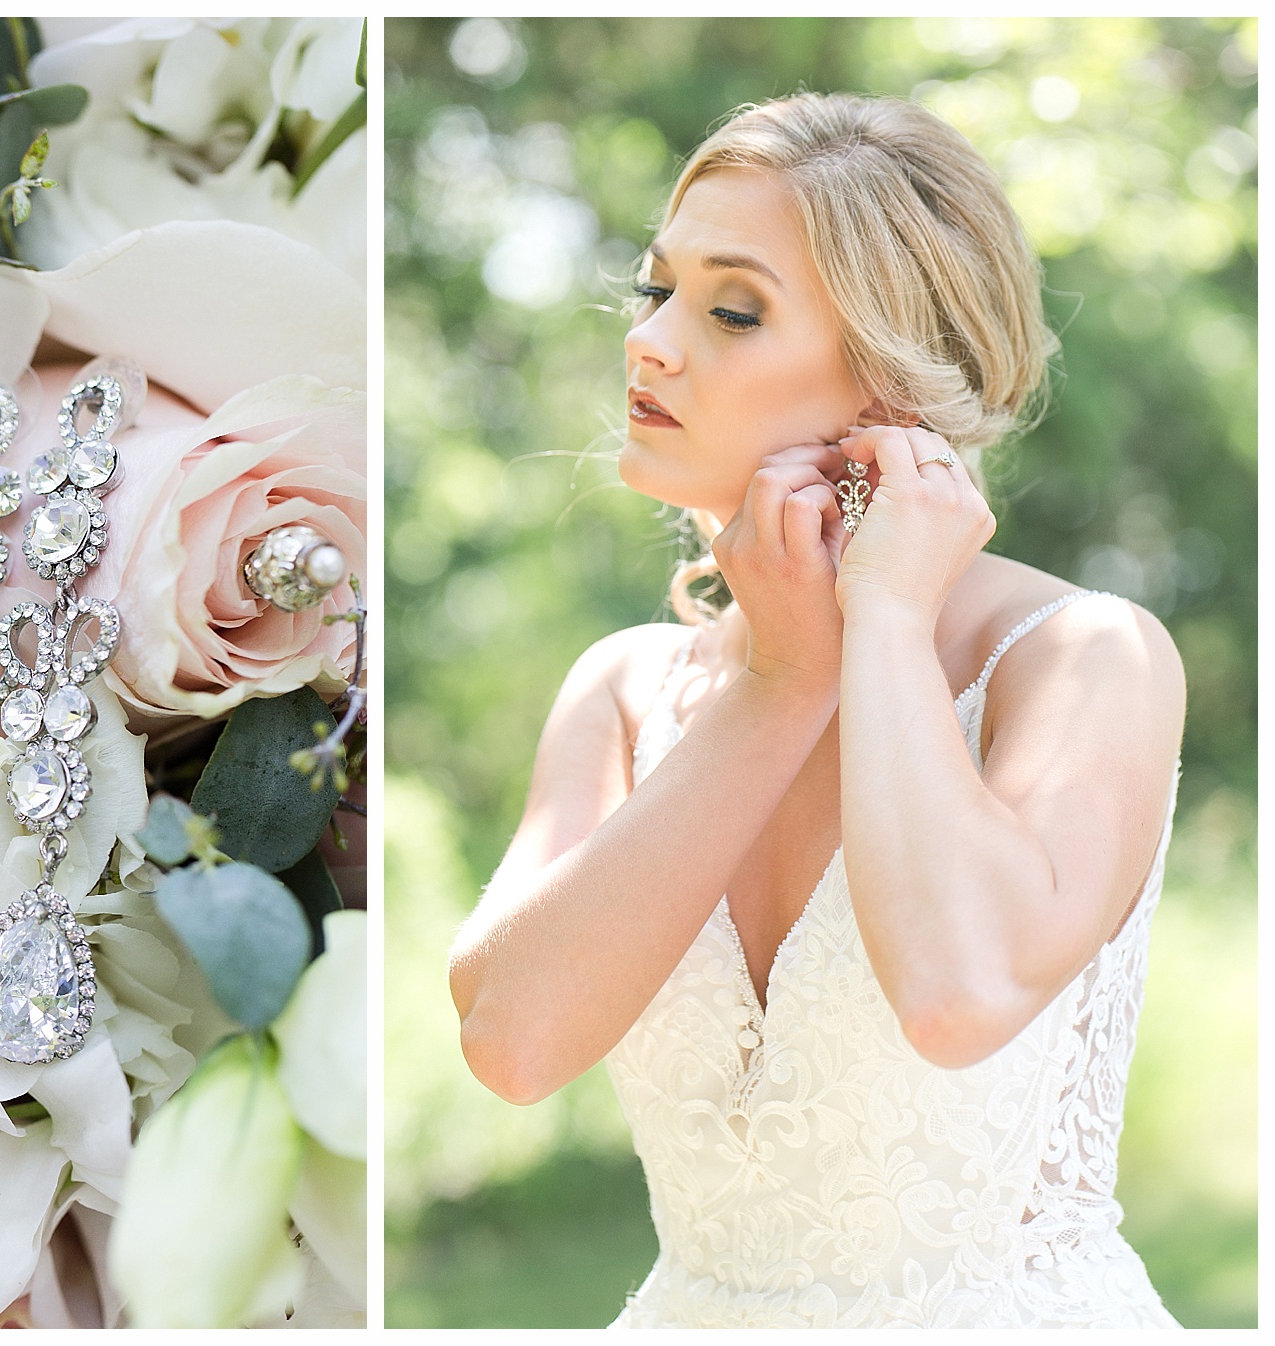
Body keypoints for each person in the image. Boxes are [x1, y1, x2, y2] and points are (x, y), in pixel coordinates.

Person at [447, 92, 1186, 1328]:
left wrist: (888, 620)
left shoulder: (1081, 658)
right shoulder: (627, 688)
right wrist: (780, 684)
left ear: (893, 380)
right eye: (656, 291)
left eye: (732, 310)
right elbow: (513, 1045)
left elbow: (959, 994)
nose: (652, 343)